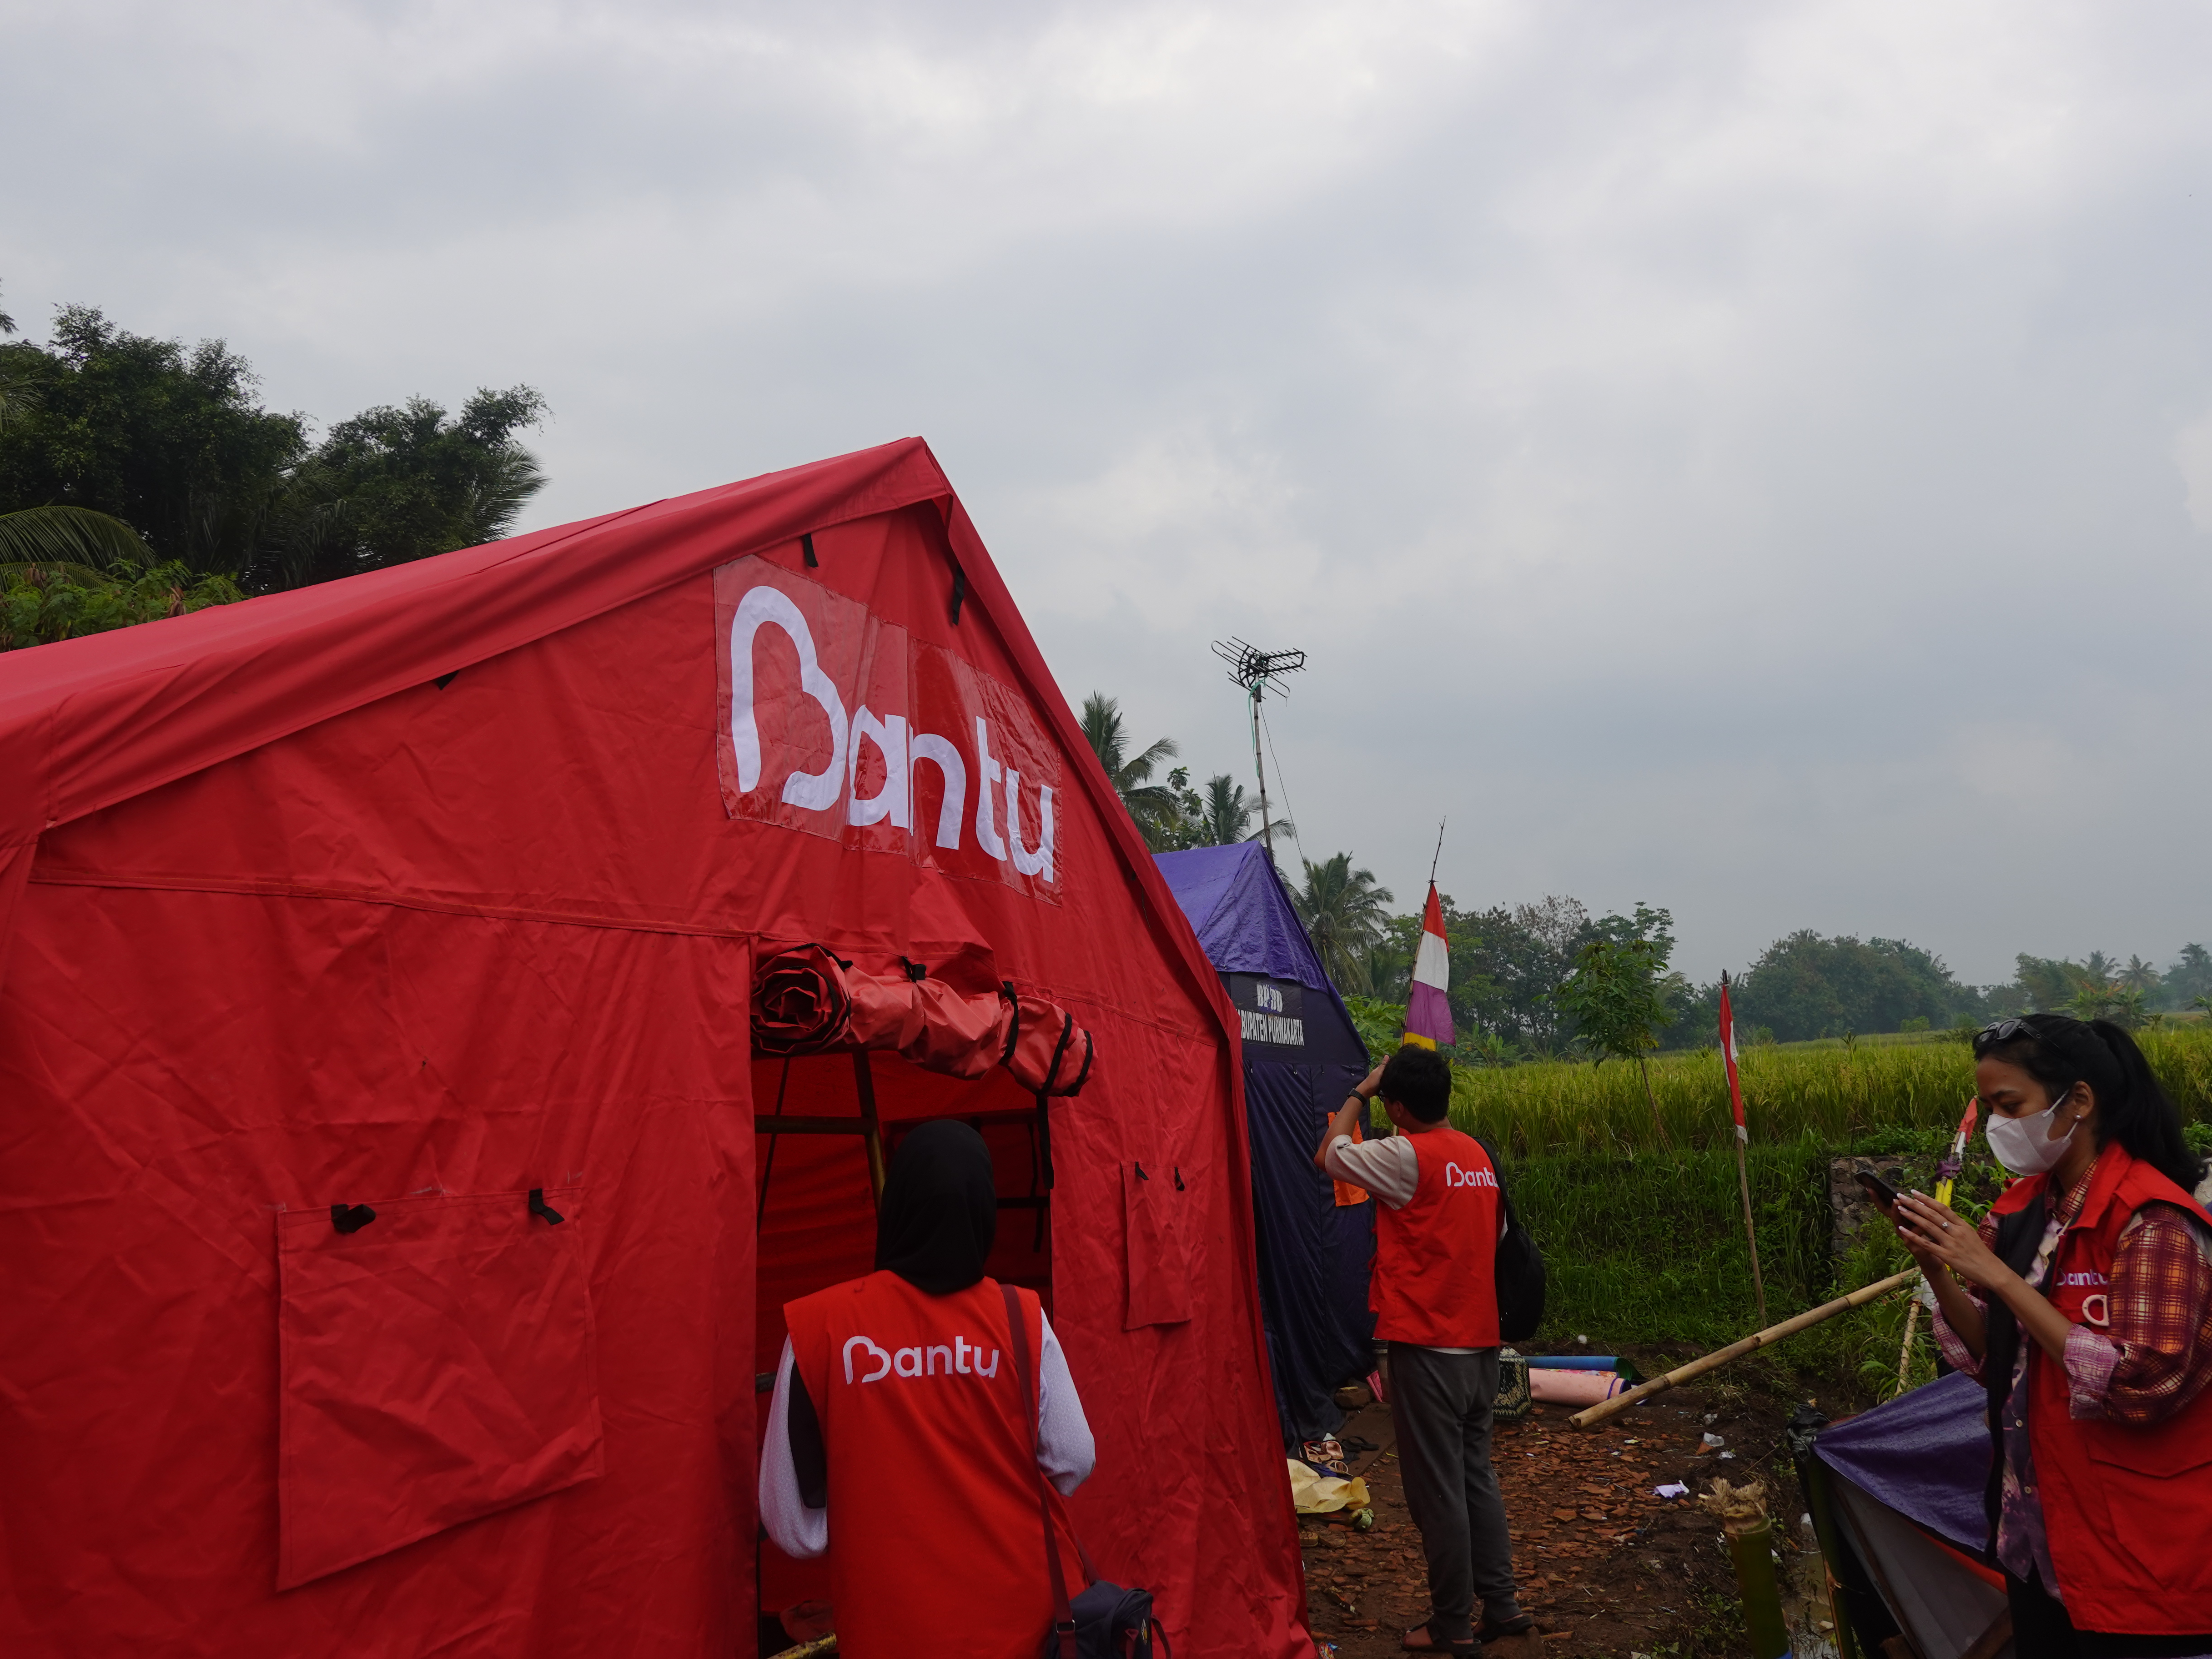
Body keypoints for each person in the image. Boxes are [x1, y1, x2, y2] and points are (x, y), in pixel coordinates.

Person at [1889, 1014, 2212, 1659]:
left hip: (2142, 1549)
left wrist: (2000, 1280)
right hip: (2039, 1538)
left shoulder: (2154, 1223)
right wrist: (1941, 1272)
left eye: (2011, 1106)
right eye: (1989, 1110)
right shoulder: (2020, 1210)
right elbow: (1990, 1357)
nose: (1998, 1127)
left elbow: (2141, 1382)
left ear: (2080, 1101)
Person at [759, 1119, 1096, 1659]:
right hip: (1025, 1625)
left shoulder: (818, 1329)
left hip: (893, 1628)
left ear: (898, 1206)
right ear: (983, 1211)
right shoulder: (1020, 1316)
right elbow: (1074, 1461)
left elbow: (795, 1529)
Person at [1315, 1046, 1531, 1657]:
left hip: (1428, 1345)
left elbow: (1330, 1154)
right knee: (1475, 1478)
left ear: (1400, 1107)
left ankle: (1452, 1626)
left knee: (1438, 1493)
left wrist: (1360, 1091)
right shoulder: (1477, 1156)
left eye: (1389, 1100)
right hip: (1481, 1343)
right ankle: (1504, 1604)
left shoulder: (1408, 1154)